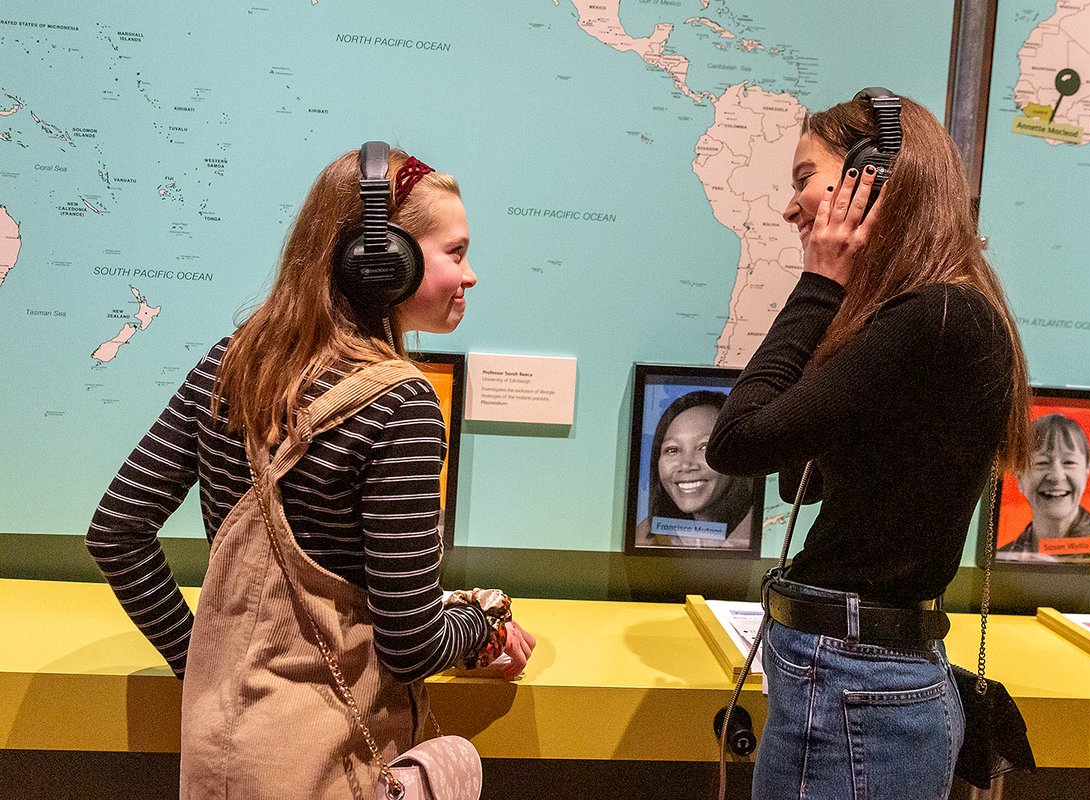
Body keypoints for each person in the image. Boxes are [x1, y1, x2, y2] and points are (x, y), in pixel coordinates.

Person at [85, 143, 535, 799]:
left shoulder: (227, 364)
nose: (470, 276)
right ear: (382, 261)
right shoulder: (402, 403)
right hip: (327, 759)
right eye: (456, 252)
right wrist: (482, 626)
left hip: (220, 751)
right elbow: (410, 644)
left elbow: (116, 532)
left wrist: (202, 668)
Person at [707, 89, 1031, 800]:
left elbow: (736, 442)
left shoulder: (937, 317)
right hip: (853, 674)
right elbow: (802, 479)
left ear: (873, 179)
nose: (790, 208)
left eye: (805, 178)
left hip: (856, 679)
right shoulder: (935, 314)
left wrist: (820, 284)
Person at [636, 390, 756, 550]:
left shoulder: (762, 530)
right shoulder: (645, 537)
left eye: (704, 447)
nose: (686, 465)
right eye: (672, 450)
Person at [999, 412, 1090, 562]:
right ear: (1019, 477)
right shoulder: (1004, 556)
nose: (1056, 476)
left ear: (1086, 472)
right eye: (1042, 463)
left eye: (1069, 462)